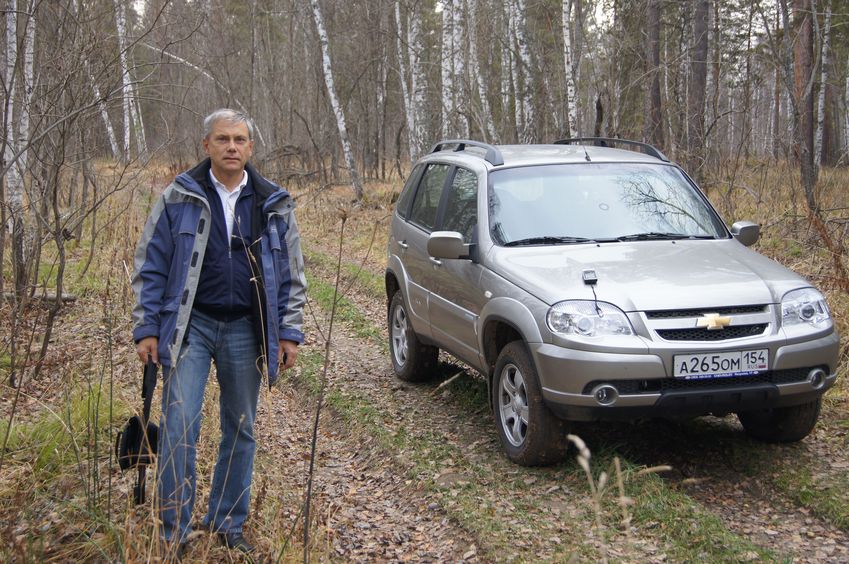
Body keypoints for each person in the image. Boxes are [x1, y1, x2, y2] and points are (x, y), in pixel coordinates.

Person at [131, 109, 306, 557]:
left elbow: (291, 273)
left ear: (251, 147)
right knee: (179, 426)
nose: (232, 147)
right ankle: (173, 530)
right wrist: (147, 327)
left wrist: (288, 331)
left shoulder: (272, 202)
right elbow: (151, 265)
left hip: (246, 327)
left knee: (241, 426)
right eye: (223, 139)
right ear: (205, 145)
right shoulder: (179, 196)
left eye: (241, 139)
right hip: (190, 326)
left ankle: (228, 522)